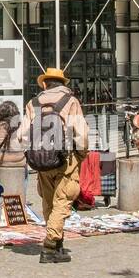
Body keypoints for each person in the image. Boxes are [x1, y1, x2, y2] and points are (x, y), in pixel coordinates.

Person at [22, 67, 88, 264]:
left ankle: (58, 246)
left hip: (41, 162)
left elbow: (22, 135)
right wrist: (81, 155)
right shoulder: (71, 101)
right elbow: (82, 134)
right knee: (63, 201)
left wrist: (34, 152)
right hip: (65, 159)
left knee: (49, 202)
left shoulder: (32, 103)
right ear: (63, 84)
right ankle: (50, 244)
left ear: (44, 84)